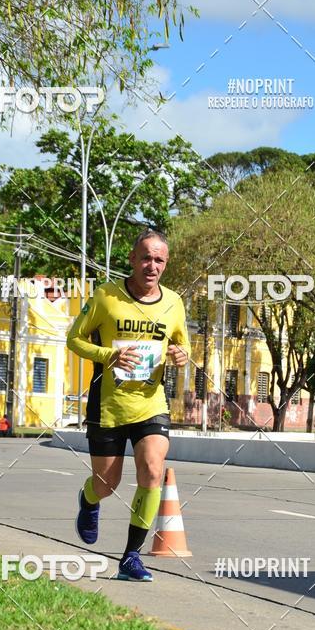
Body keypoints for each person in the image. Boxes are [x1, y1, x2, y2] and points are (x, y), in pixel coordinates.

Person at [67, 228, 190, 582]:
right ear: (133, 259)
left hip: (151, 404)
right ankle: (89, 500)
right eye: (146, 258)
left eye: (160, 260)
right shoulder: (107, 296)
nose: (152, 265)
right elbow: (74, 339)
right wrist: (110, 355)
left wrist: (182, 355)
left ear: (166, 265)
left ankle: (131, 557)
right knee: (107, 483)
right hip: (108, 404)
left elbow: (182, 345)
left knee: (153, 469)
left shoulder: (174, 303)